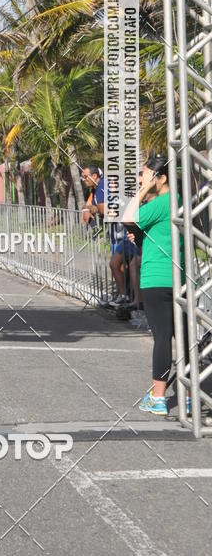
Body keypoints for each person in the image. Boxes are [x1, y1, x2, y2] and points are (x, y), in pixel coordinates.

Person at [122, 154, 188, 416]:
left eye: (146, 174)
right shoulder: (180, 201)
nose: (141, 179)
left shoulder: (161, 202)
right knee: (183, 338)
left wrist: (143, 191)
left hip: (156, 279)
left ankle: (158, 397)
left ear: (161, 178)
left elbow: (127, 216)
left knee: (162, 337)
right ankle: (189, 397)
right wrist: (141, 237)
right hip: (180, 279)